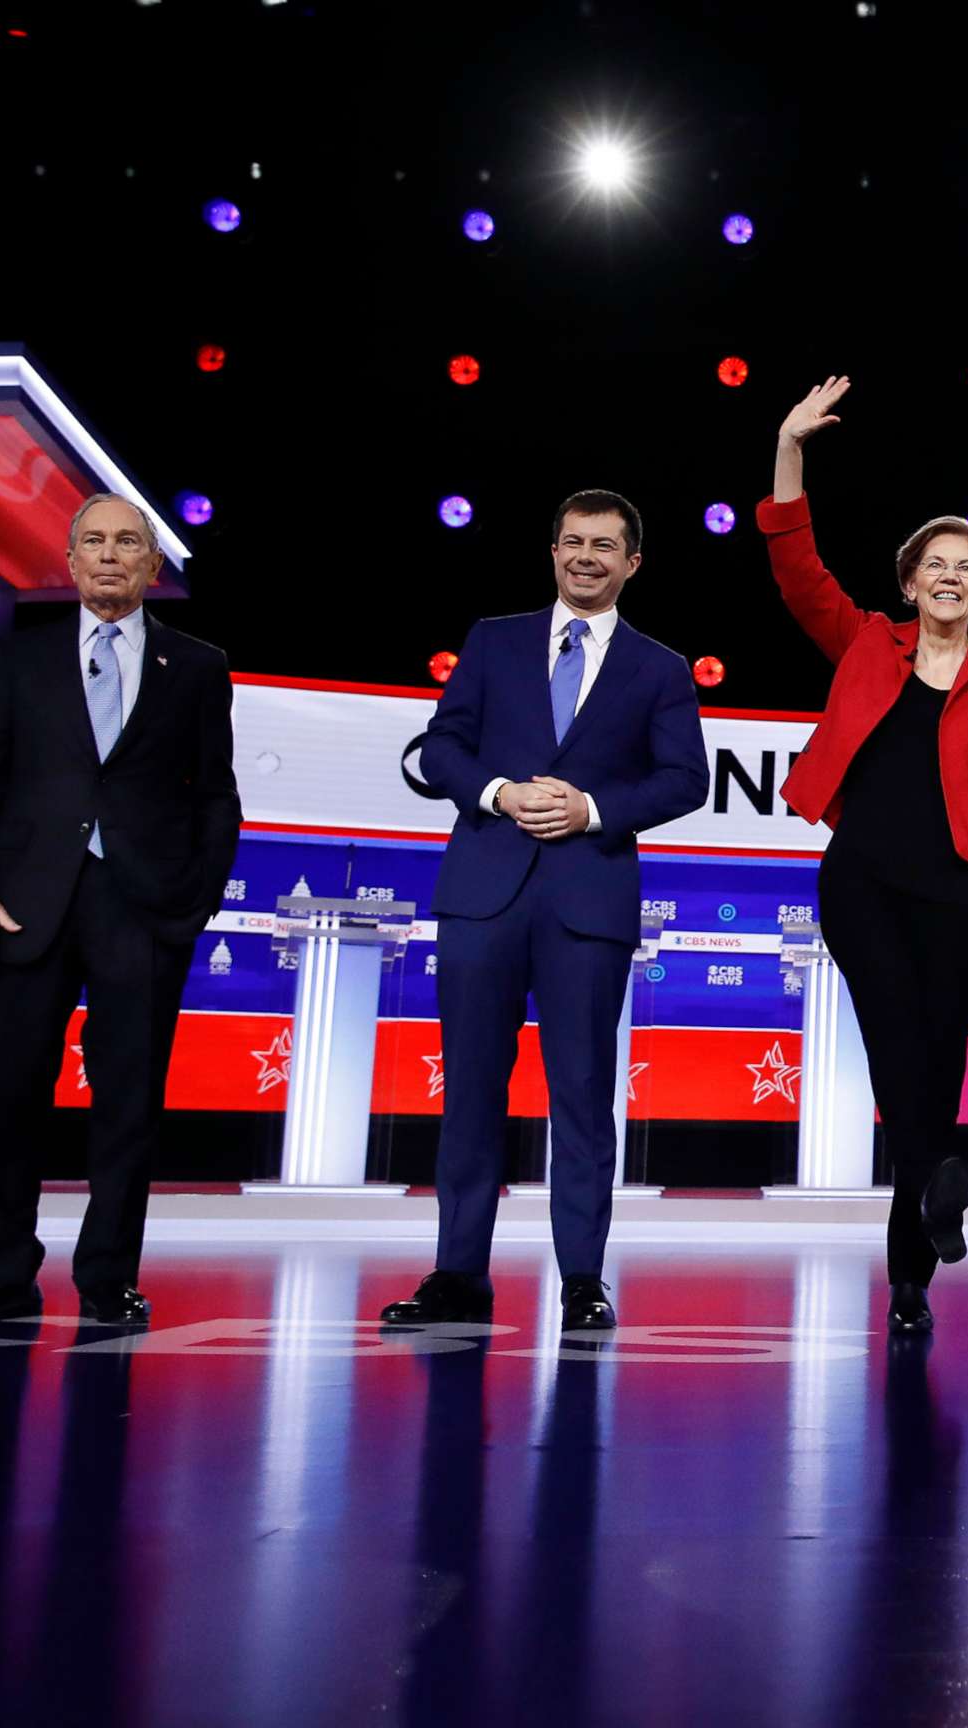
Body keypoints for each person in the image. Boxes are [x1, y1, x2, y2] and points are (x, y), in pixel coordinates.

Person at [757, 376, 968, 1334]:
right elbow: (798, 568)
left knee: (938, 1069)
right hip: (865, 886)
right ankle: (938, 1182)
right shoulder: (863, 645)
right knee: (899, 1054)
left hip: (960, 894)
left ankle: (912, 1276)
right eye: (935, 563)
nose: (950, 576)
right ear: (911, 580)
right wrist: (791, 448)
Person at [380, 489, 710, 1332]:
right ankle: (459, 1274)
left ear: (633, 562)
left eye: (604, 545)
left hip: (586, 903)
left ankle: (583, 1280)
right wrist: (498, 791)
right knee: (471, 1095)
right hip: (484, 897)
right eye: (572, 542)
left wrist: (590, 810)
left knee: (583, 1095)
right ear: (553, 552)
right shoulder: (492, 642)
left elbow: (685, 780)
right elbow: (443, 747)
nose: (585, 557)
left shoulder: (661, 668)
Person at [0, 493, 242, 1328]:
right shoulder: (22, 657)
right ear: (69, 563)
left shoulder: (200, 665)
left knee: (128, 1102)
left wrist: (195, 899)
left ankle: (109, 1279)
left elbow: (216, 796)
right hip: (24, 909)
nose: (109, 555)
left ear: (152, 566)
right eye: (93, 542)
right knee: (12, 1102)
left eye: (127, 543)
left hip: (143, 911)